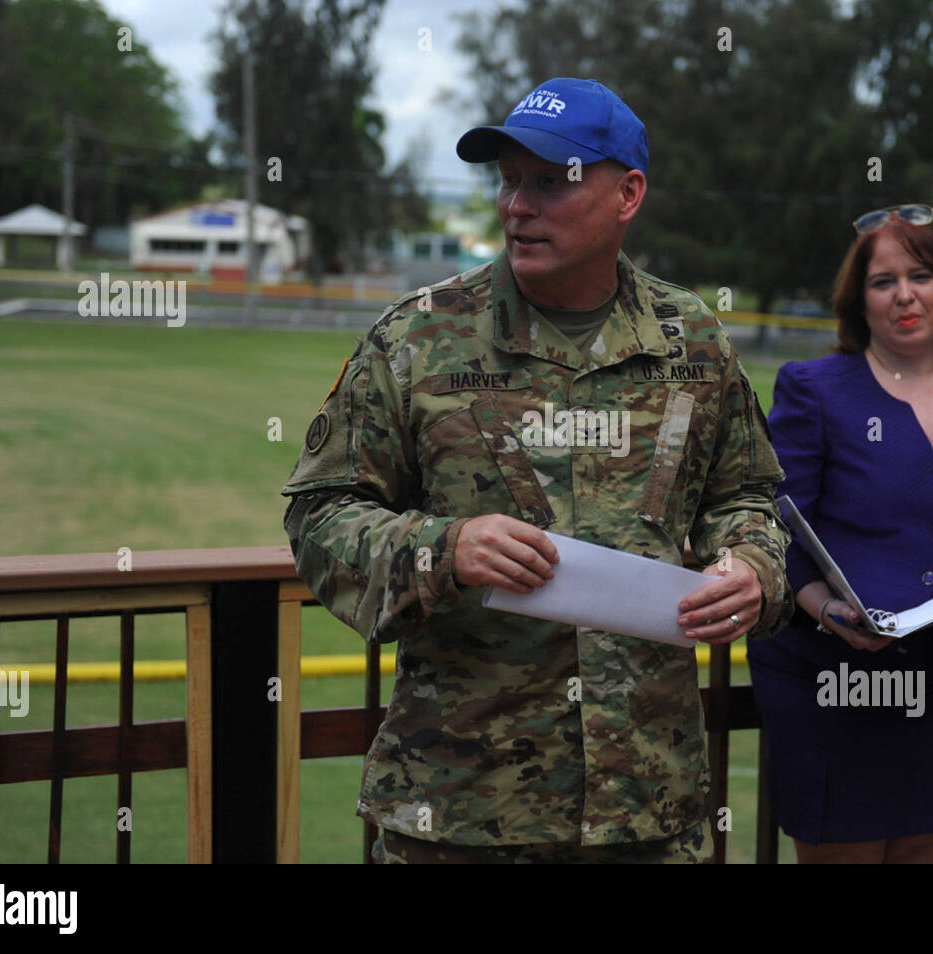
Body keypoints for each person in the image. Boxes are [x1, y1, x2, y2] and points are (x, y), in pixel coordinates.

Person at [279, 77, 791, 864]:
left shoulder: (691, 338)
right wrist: (442, 550)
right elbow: (319, 516)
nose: (518, 206)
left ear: (627, 195)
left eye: (550, 183)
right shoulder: (418, 338)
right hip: (460, 814)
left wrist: (751, 564)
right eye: (510, 180)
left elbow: (744, 494)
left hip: (647, 812)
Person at [749, 204, 933, 863]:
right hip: (834, 678)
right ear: (860, 300)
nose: (905, 295)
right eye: (883, 281)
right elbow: (781, 528)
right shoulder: (814, 389)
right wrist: (826, 609)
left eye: (922, 274)